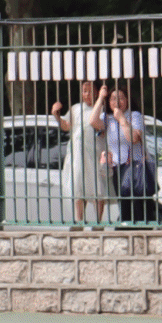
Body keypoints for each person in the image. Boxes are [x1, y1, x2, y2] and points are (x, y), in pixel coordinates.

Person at [50, 80, 111, 228]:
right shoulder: (76, 108)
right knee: (78, 184)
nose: (87, 94)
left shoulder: (102, 109)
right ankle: (79, 221)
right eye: (84, 91)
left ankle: (98, 222)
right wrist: (56, 116)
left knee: (97, 185)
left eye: (90, 91)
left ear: (97, 92)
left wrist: (101, 98)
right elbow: (66, 126)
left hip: (96, 152)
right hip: (77, 153)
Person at [103, 85, 159, 223]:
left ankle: (143, 229)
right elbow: (92, 122)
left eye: (121, 98)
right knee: (124, 205)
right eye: (113, 99)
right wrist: (100, 98)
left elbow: (133, 138)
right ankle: (127, 230)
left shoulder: (134, 116)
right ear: (108, 102)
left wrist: (122, 119)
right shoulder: (107, 118)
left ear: (127, 100)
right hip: (117, 168)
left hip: (135, 166)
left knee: (139, 205)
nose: (117, 102)